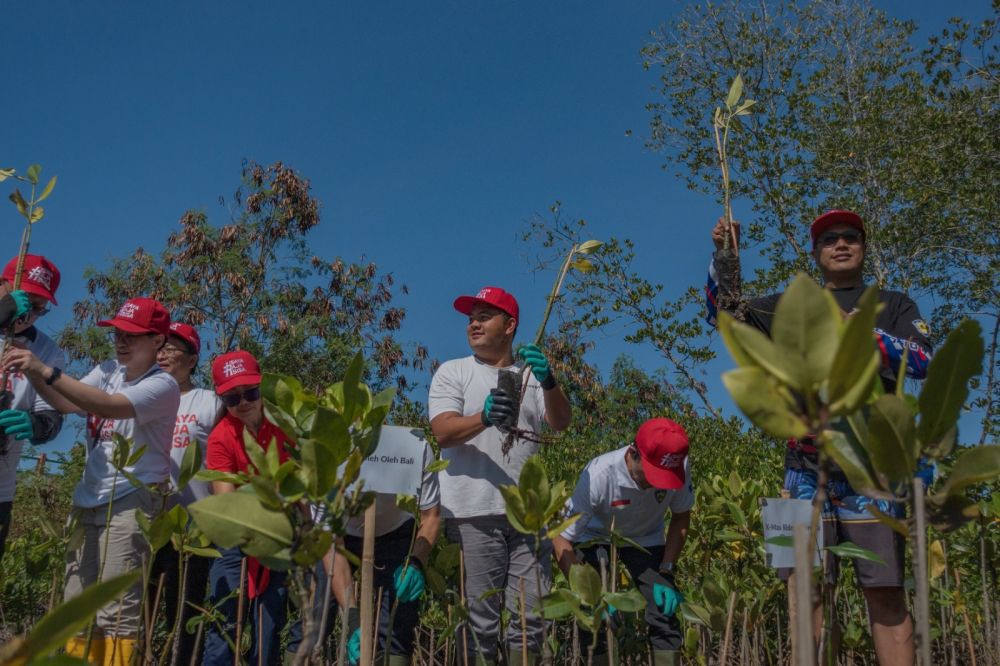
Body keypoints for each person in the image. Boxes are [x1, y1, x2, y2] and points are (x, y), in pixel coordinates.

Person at [705, 210, 933, 665]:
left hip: (874, 472)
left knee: (886, 596)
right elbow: (724, 315)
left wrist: (863, 334)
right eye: (829, 239)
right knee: (801, 595)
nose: (841, 244)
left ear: (864, 247)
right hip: (798, 472)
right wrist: (725, 255)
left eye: (851, 237)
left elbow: (924, 359)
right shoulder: (792, 308)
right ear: (816, 252)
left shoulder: (893, 303)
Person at [4, 296, 180, 664]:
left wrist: (47, 371)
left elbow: (107, 405)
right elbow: (67, 402)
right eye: (117, 333)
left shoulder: (163, 385)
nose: (121, 341)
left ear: (158, 341)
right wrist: (34, 371)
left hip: (131, 501)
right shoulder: (107, 369)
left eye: (132, 335)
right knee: (77, 609)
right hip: (88, 499)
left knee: (115, 613)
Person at [428, 286, 572, 665]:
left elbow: (560, 422)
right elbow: (442, 430)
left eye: (483, 316)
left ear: (510, 326)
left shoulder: (529, 375)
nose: (473, 323)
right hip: (473, 513)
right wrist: (484, 416)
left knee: (531, 619)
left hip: (528, 517)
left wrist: (550, 381)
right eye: (471, 317)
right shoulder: (453, 371)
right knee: (480, 622)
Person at [552, 418, 693, 666]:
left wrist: (667, 570)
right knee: (594, 619)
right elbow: (561, 539)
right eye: (652, 475)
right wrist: (589, 595)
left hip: (646, 538)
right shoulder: (598, 475)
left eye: (664, 479)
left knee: (664, 612)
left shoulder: (678, 466)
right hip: (594, 536)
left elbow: (681, 516)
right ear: (633, 453)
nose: (656, 484)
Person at [202, 350, 293, 666]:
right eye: (231, 397)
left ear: (261, 387)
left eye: (250, 392)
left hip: (278, 537)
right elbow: (227, 502)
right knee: (224, 629)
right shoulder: (220, 438)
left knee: (269, 632)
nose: (243, 402)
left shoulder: (284, 426)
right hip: (234, 542)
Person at [148, 321, 223, 664]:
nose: (162, 354)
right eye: (159, 347)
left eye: (172, 349)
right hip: (146, 525)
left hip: (194, 531)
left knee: (184, 616)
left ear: (192, 360)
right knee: (140, 614)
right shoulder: (142, 396)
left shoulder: (208, 401)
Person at [0, 254, 65, 560]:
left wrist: (37, 425)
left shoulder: (46, 351)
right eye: (26, 301)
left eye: (40, 308)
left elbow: (53, 412)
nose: (30, 314)